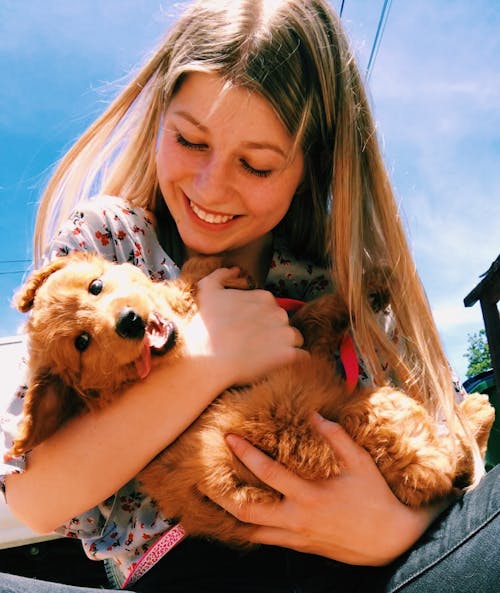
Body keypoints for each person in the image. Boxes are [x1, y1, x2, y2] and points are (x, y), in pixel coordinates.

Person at [0, 0, 498, 591]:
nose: (211, 188)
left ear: (311, 168)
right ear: (160, 119)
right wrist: (207, 359)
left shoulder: (345, 281)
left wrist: (389, 531)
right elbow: (32, 497)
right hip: (184, 566)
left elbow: (450, 448)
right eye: (190, 140)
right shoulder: (111, 243)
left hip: (377, 571)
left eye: (257, 166)